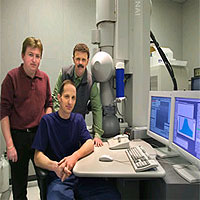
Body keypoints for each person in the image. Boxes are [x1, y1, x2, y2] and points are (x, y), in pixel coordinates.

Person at [32, 80, 121, 200]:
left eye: (73, 98)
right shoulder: (47, 121)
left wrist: (74, 157)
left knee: (112, 195)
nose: (70, 102)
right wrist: (55, 167)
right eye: (66, 97)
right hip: (60, 178)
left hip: (81, 175)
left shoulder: (78, 120)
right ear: (59, 98)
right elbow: (37, 158)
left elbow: (89, 143)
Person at [0, 37, 53, 200]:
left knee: (46, 180)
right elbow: (3, 113)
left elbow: (48, 104)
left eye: (37, 56)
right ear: (23, 55)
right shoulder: (12, 78)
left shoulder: (44, 78)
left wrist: (45, 122)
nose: (34, 59)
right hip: (18, 137)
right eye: (31, 55)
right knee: (19, 185)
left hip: (39, 135)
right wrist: (9, 145)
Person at [52, 43, 104, 147]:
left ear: (87, 61)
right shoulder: (64, 73)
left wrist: (98, 134)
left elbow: (97, 107)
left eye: (83, 60)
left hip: (77, 127)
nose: (80, 63)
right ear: (73, 59)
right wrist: (62, 120)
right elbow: (55, 98)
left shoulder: (90, 82)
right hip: (60, 126)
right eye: (78, 59)